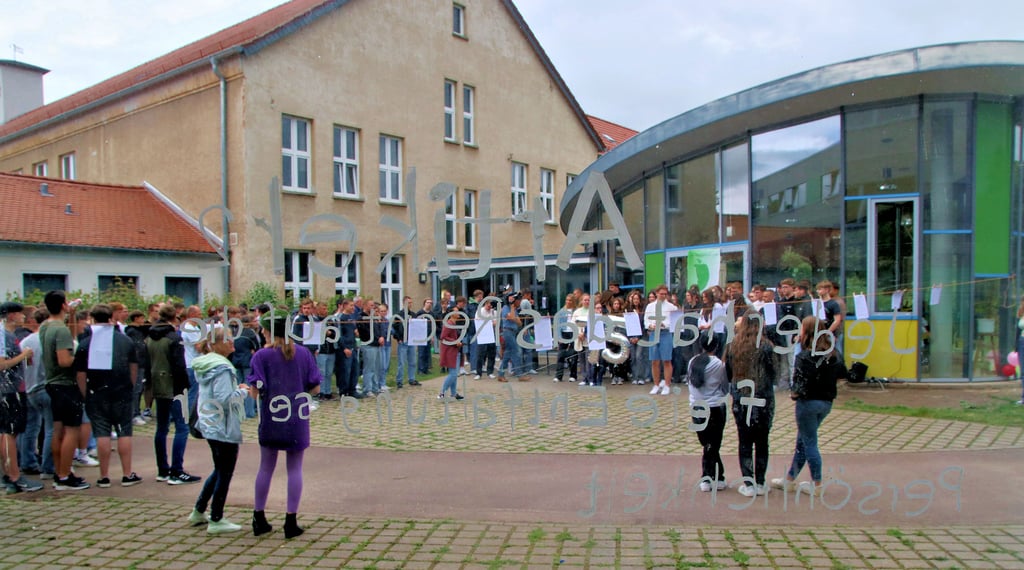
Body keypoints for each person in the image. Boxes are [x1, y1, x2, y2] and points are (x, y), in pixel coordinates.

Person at [250, 309, 322, 539]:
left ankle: (259, 517)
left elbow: (255, 391)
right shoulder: (303, 353)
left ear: (268, 331)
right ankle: (291, 521)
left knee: (265, 467)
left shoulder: (261, 356)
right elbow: (316, 387)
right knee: (295, 468)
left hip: (272, 416)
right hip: (296, 416)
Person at [771, 316, 847, 497]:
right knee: (803, 441)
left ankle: (817, 484)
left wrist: (794, 394)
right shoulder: (833, 353)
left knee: (809, 442)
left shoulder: (804, 356)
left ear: (806, 331)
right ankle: (790, 479)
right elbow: (843, 374)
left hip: (807, 403)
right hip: (826, 402)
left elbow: (798, 384)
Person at [188, 326, 250, 534]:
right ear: (214, 344)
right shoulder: (222, 368)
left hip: (209, 423)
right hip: (222, 426)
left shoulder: (207, 364)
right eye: (227, 340)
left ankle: (199, 510)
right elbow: (224, 399)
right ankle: (216, 517)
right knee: (225, 471)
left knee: (219, 469)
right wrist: (241, 392)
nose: (232, 343)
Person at [73, 304, 142, 488]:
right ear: (111, 317)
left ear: (93, 319)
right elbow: (133, 366)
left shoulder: (86, 343)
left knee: (101, 433)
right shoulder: (125, 340)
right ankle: (127, 473)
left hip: (96, 391)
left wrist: (85, 394)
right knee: (124, 432)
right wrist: (130, 386)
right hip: (122, 390)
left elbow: (80, 373)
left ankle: (104, 476)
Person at [38, 291, 90, 491]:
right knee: (71, 431)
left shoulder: (46, 325)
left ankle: (59, 472)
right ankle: (65, 475)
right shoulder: (60, 330)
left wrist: (72, 315)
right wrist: (82, 358)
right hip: (66, 384)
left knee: (58, 430)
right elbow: (64, 360)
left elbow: (69, 337)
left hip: (52, 383)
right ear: (62, 305)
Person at [147, 304, 202, 485]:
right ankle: (177, 470)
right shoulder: (173, 338)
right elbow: (179, 366)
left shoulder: (151, 337)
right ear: (174, 319)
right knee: (182, 427)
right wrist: (184, 386)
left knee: (161, 428)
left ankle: (163, 469)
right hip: (174, 386)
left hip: (158, 383)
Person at [725, 310, 776, 497]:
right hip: (763, 398)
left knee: (744, 441)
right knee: (762, 441)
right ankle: (761, 482)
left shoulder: (733, 346)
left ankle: (748, 483)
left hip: (741, 398)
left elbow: (728, 372)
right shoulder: (767, 346)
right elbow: (774, 372)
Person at [1, 301, 43, 493]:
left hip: (12, 387)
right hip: (8, 389)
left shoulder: (9, 335)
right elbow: (2, 364)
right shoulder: (3, 335)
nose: (23, 317)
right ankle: (14, 476)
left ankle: (9, 474)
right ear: (11, 315)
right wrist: (23, 355)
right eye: (20, 313)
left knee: (8, 432)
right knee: (9, 433)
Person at [687, 334, 729, 492]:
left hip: (696, 407)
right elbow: (725, 386)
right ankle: (710, 477)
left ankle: (715, 477)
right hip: (715, 407)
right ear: (716, 346)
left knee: (708, 444)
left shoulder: (692, 361)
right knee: (713, 445)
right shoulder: (718, 364)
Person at [645, 284, 677, 396]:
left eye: (665, 294)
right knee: (654, 360)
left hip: (665, 333)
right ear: (657, 293)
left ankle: (667, 385)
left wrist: (665, 324)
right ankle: (656, 384)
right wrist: (650, 325)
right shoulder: (650, 306)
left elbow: (675, 322)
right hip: (654, 333)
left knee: (667, 360)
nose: (663, 296)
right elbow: (646, 321)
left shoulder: (671, 307)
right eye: (661, 294)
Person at [438, 311, 465, 400]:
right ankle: (442, 392)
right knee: (453, 374)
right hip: (450, 351)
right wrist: (455, 342)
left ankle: (453, 393)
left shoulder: (453, 324)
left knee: (454, 373)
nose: (458, 313)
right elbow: (443, 336)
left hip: (455, 350)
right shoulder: (449, 324)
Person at [553, 294, 578, 383]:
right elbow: (558, 326)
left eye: (570, 300)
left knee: (573, 355)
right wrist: (558, 338)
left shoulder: (576, 311)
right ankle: (558, 376)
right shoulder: (561, 312)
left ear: (573, 301)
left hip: (574, 333)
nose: (568, 302)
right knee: (561, 355)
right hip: (564, 333)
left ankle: (573, 375)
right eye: (567, 300)